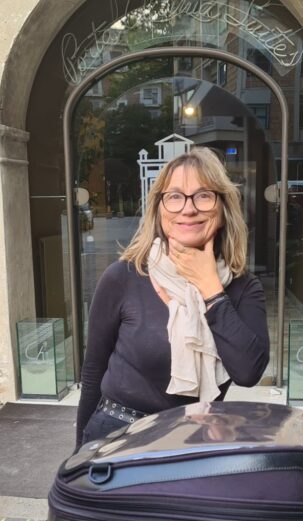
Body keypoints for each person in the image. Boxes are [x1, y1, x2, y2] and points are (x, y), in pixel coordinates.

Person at [76, 147, 270, 448]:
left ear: (223, 209)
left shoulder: (243, 288)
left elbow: (247, 373)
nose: (188, 209)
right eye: (175, 196)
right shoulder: (124, 277)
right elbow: (93, 372)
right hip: (118, 439)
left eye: (203, 195)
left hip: (193, 442)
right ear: (159, 209)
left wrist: (210, 288)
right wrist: (79, 455)